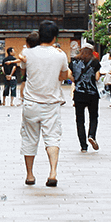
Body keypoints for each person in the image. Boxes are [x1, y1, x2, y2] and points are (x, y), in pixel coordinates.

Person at [17, 21, 70, 187]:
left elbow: (23, 72)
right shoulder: (60, 55)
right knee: (52, 137)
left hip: (31, 103)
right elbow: (63, 77)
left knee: (29, 138)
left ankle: (30, 175)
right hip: (51, 103)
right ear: (54, 37)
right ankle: (53, 172)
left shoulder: (28, 53)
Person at [70, 45, 102, 151]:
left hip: (79, 94)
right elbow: (97, 77)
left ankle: (83, 146)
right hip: (92, 94)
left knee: (80, 120)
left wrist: (75, 80)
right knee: (93, 117)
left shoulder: (74, 61)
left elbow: (70, 75)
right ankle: (91, 135)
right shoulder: (95, 62)